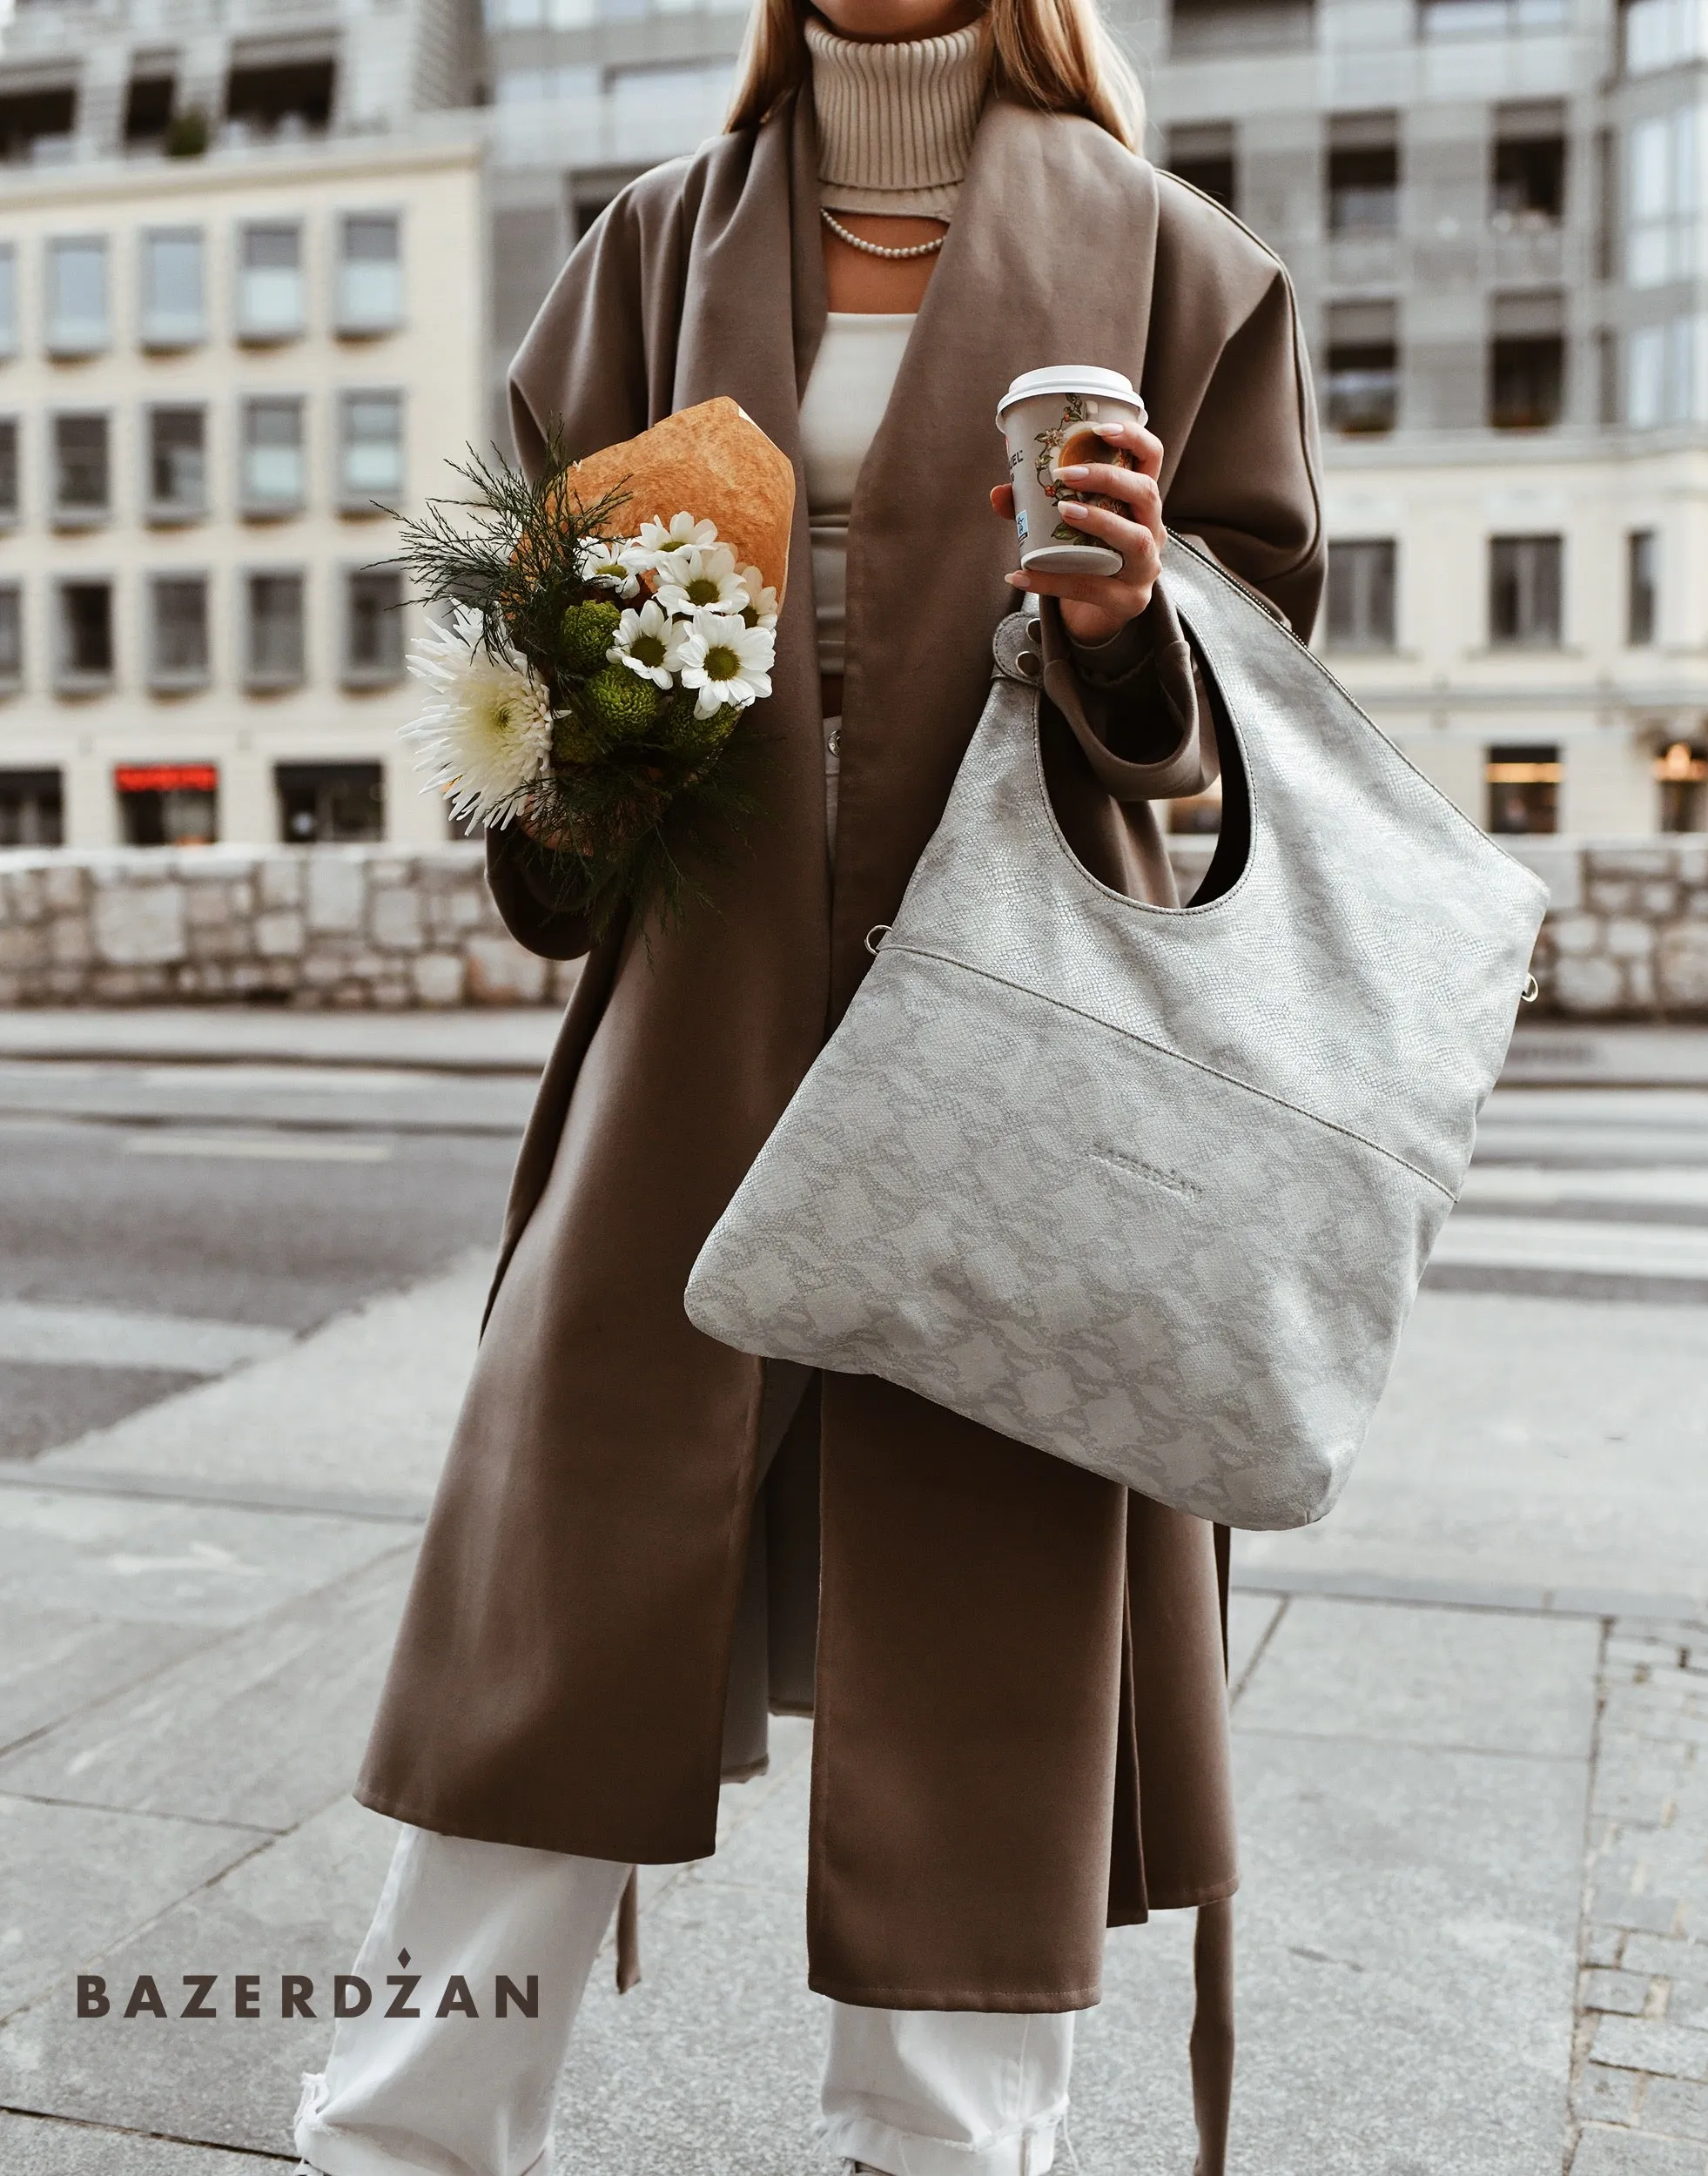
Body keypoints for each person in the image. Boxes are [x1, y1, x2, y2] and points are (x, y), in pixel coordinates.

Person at [293, 0, 1322, 2168]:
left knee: (994, 1642)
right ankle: (398, 2134)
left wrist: (1132, 620)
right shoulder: (651, 247)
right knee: (549, 1616)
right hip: (694, 1015)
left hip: (1022, 1027)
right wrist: (575, 719)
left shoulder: (1176, 259)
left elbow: (1248, 726)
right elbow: (522, 725)